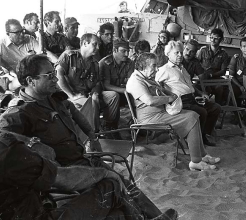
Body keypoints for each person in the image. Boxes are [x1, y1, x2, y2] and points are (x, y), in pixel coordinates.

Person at [0, 55, 177, 219]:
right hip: (65, 172)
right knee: (114, 186)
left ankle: (154, 216)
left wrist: (92, 137)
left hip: (84, 159)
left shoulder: (53, 98)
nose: (56, 78)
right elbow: (4, 137)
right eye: (49, 75)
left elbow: (76, 115)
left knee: (124, 183)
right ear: (31, 81)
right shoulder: (19, 112)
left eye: (55, 72)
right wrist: (31, 143)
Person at [127, 52, 220, 171]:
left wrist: (172, 94)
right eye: (153, 66)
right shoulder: (135, 81)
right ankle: (196, 161)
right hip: (149, 118)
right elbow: (149, 100)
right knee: (191, 117)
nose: (156, 69)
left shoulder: (146, 77)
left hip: (160, 113)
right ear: (142, 66)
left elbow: (160, 90)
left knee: (194, 115)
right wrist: (169, 98)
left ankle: (202, 155)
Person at [156, 40, 221, 146]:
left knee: (215, 108)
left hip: (192, 98)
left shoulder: (182, 68)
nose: (180, 55)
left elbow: (190, 85)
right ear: (168, 54)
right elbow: (156, 84)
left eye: (181, 52)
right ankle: (196, 139)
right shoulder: (164, 70)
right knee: (202, 112)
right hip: (180, 101)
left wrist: (200, 94)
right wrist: (165, 93)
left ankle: (204, 134)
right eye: (176, 53)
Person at [55, 33, 121, 137]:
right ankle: (94, 132)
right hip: (70, 95)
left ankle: (108, 126)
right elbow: (58, 76)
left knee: (113, 96)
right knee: (92, 103)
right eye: (95, 44)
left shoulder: (95, 63)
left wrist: (95, 92)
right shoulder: (69, 56)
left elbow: (98, 82)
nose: (98, 48)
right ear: (85, 43)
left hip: (87, 93)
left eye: (98, 45)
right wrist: (71, 95)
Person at [0, 19, 40, 92]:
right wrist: (8, 68)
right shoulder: (1, 44)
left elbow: (42, 54)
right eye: (17, 33)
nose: (22, 34)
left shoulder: (30, 39)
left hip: (32, 77)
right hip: (13, 81)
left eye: (22, 31)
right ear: (8, 34)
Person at [196, 28, 229, 105]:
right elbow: (196, 64)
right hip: (203, 79)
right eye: (211, 38)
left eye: (216, 39)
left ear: (221, 39)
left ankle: (218, 108)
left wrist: (212, 75)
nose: (213, 40)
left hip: (216, 80)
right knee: (197, 89)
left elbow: (223, 70)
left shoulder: (224, 54)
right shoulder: (203, 50)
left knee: (220, 88)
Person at [99, 38, 134, 106]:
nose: (127, 54)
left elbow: (131, 82)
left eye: (128, 51)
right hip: (109, 94)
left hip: (124, 92)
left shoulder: (130, 63)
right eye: (123, 51)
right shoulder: (104, 63)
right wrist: (125, 90)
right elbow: (106, 85)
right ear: (114, 50)